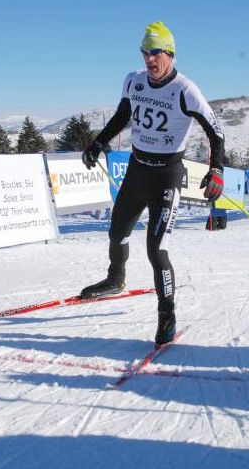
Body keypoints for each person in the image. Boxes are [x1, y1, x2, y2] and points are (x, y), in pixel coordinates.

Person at [81, 21, 225, 348]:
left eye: (155, 52)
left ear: (170, 54)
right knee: (117, 231)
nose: (149, 59)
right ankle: (115, 278)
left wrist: (216, 168)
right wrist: (98, 143)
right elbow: (122, 115)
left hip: (166, 177)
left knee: (156, 250)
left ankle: (167, 313)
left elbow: (217, 131)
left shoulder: (186, 89)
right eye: (145, 52)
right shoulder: (133, 81)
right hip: (136, 172)